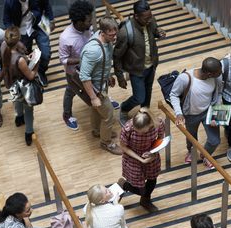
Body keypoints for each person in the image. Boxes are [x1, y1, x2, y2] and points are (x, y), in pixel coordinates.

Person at [114, 0, 166, 125]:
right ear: (136, 16)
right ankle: (124, 108)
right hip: (136, 69)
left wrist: (159, 33)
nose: (149, 20)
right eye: (146, 18)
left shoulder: (150, 20)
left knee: (148, 92)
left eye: (150, 16)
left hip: (151, 65)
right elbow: (116, 56)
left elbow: (154, 31)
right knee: (139, 97)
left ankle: (144, 113)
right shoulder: (126, 32)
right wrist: (119, 76)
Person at [170, 57, 223, 170]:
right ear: (209, 74)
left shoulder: (216, 78)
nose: (221, 73)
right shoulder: (185, 78)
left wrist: (216, 114)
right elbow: (173, 95)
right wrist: (179, 113)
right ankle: (190, 151)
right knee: (192, 138)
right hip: (190, 115)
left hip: (208, 112)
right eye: (218, 72)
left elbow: (219, 94)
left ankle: (206, 156)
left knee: (215, 140)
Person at [79, 17, 122, 155]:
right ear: (102, 33)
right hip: (96, 90)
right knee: (109, 115)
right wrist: (93, 97)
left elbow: (103, 62)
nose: (114, 37)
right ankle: (106, 143)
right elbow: (84, 77)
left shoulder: (106, 41)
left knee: (96, 110)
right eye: (111, 34)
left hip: (102, 83)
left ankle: (97, 131)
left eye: (115, 33)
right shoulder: (93, 51)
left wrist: (108, 76)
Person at [117, 108, 165, 212]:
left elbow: (160, 139)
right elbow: (123, 147)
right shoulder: (128, 128)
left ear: (149, 124)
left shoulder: (158, 123)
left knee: (152, 179)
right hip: (133, 156)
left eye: (143, 131)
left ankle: (145, 201)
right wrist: (140, 159)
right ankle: (124, 184)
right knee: (140, 188)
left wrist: (153, 153)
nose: (140, 133)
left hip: (150, 154)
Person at [59, 0, 94, 130]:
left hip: (90, 67)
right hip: (74, 73)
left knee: (95, 87)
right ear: (79, 22)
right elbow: (63, 59)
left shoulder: (87, 28)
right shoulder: (65, 37)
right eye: (88, 20)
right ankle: (67, 115)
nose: (91, 23)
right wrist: (83, 59)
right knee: (71, 90)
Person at [3, 0, 55, 87]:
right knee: (25, 55)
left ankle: (41, 71)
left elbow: (46, 4)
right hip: (21, 31)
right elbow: (6, 20)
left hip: (39, 25)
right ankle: (30, 74)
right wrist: (15, 38)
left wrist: (51, 19)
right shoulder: (9, 2)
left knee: (46, 54)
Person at [2, 26, 39, 146]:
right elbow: (31, 76)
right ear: (18, 40)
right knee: (28, 109)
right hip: (23, 86)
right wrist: (36, 64)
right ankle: (28, 132)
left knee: (16, 100)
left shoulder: (3, 47)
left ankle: (18, 117)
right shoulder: (20, 60)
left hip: (12, 83)